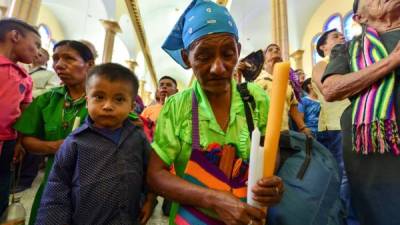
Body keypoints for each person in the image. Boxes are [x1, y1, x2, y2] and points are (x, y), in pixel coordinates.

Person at [147, 1, 284, 224]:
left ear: (238, 51)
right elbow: (155, 175)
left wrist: (269, 183)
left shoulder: (256, 99)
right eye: (204, 56)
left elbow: (270, 151)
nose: (218, 68)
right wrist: (213, 199)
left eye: (228, 54)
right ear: (186, 58)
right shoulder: (176, 107)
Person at [36, 63, 154, 225]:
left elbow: (150, 171)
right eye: (99, 97)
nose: (107, 106)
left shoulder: (138, 138)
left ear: (132, 107)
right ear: (87, 101)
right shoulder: (75, 142)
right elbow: (57, 187)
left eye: (119, 99)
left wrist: (150, 199)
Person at [320, 0, 400, 224]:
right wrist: (391, 61)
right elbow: (331, 88)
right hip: (374, 154)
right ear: (359, 18)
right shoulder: (348, 49)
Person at [14, 40, 94, 225]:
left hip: (92, 186)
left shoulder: (103, 101)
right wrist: (54, 146)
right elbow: (27, 140)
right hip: (54, 182)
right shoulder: (47, 100)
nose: (59, 64)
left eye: (69, 58)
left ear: (89, 65)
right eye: (56, 58)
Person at [0, 18, 40, 216]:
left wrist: (19, 142)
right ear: (14, 36)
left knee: (2, 185)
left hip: (8, 142)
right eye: (36, 44)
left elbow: (24, 112)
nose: (38, 52)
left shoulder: (26, 78)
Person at [311, 28, 353, 219]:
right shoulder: (321, 64)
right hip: (337, 126)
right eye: (335, 37)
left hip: (357, 122)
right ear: (323, 47)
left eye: (342, 35)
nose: (342, 37)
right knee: (345, 176)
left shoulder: (351, 59)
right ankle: (346, 218)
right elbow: (329, 89)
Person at [254, 44, 312, 136]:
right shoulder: (257, 79)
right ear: (264, 59)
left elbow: (293, 105)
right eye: (270, 50)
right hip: (263, 133)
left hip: (284, 131)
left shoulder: (287, 82)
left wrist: (302, 127)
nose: (275, 50)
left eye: (277, 49)